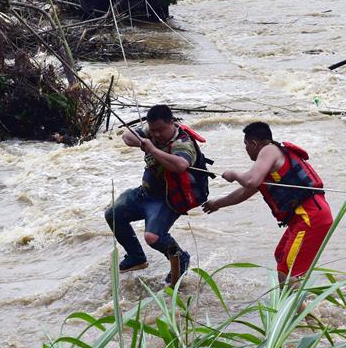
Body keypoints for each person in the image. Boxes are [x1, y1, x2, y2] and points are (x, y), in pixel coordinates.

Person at [202, 122, 332, 285]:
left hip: (309, 217)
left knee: (286, 275)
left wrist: (234, 174)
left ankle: (305, 310)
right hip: (307, 216)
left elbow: (250, 181)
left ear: (253, 143)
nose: (246, 149)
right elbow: (245, 192)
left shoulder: (269, 150)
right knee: (281, 255)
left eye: (246, 145)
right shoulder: (271, 165)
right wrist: (217, 203)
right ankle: (299, 302)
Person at [104, 105, 212, 284]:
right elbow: (126, 136)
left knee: (152, 237)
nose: (157, 134)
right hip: (145, 193)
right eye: (153, 130)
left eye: (161, 130)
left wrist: (153, 150)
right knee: (113, 214)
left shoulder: (183, 142)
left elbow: (180, 165)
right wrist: (142, 141)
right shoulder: (152, 131)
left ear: (172, 123)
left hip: (167, 200)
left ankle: (180, 258)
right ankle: (136, 257)